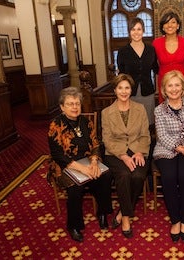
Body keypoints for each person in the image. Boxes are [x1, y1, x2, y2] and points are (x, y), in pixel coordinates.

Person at [47, 86, 112, 242]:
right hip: (64, 166)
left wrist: (95, 162)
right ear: (62, 107)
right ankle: (74, 225)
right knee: (75, 188)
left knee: (105, 176)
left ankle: (102, 213)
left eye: (77, 103)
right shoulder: (55, 125)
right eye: (70, 104)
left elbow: (96, 144)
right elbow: (58, 155)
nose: (75, 107)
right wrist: (82, 168)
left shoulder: (85, 122)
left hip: (88, 161)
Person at [153, 70, 184, 242]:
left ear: (183, 87)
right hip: (167, 149)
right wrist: (183, 149)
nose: (174, 89)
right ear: (164, 90)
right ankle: (175, 219)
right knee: (168, 177)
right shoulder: (159, 110)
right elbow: (162, 135)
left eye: (177, 85)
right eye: (170, 85)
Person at [101, 73, 151, 239]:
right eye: (120, 88)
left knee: (137, 176)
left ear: (131, 89)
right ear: (114, 90)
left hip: (138, 150)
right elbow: (107, 139)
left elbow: (145, 135)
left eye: (127, 88)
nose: (124, 91)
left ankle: (123, 211)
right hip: (116, 153)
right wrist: (123, 155)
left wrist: (139, 151)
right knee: (123, 175)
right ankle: (127, 218)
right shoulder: (106, 112)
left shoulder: (140, 109)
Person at [117, 17, 159, 126]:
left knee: (148, 122)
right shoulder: (122, 52)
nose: (136, 32)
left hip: (147, 91)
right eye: (133, 29)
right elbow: (121, 75)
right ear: (129, 31)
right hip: (130, 93)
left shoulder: (151, 50)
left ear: (143, 31)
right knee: (133, 123)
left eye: (139, 29)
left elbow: (156, 69)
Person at [153, 11, 184, 104]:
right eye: (166, 22)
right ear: (162, 26)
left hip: (182, 82)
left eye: (173, 22)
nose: (170, 25)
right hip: (164, 83)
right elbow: (153, 64)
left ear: (178, 26)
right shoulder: (156, 43)